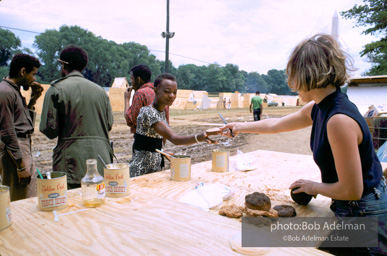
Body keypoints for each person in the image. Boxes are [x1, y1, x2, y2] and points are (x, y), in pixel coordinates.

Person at [220, 34, 385, 255]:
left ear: (309, 75)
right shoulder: (320, 107)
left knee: (265, 240)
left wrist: (312, 186)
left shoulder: (338, 120)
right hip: (352, 207)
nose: (292, 84)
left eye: (294, 75)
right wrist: (239, 126)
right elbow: (277, 125)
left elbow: (352, 190)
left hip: (364, 216)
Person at [40, 45, 114, 189]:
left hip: (71, 163)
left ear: (63, 64)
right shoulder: (100, 91)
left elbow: (49, 130)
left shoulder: (56, 89)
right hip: (101, 159)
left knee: (73, 208)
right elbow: (109, 124)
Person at [130, 73, 219, 177]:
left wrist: (163, 151)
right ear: (155, 90)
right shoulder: (148, 112)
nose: (172, 96)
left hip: (154, 168)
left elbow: (150, 140)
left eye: (174, 92)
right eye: (167, 92)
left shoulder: (161, 112)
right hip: (141, 170)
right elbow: (174, 138)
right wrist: (198, 137)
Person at [0, 53, 43, 201]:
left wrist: (32, 100)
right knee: (20, 199)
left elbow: (21, 123)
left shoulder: (14, 90)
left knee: (28, 195)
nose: (34, 79)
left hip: (21, 148)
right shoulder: (5, 92)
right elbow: (7, 130)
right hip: (15, 150)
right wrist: (20, 166)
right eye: (33, 74)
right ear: (23, 71)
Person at [124, 65, 169, 136]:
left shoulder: (140, 93)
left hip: (144, 141)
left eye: (131, 79)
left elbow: (131, 120)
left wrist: (126, 99)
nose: (130, 82)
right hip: (159, 139)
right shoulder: (160, 92)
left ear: (138, 80)